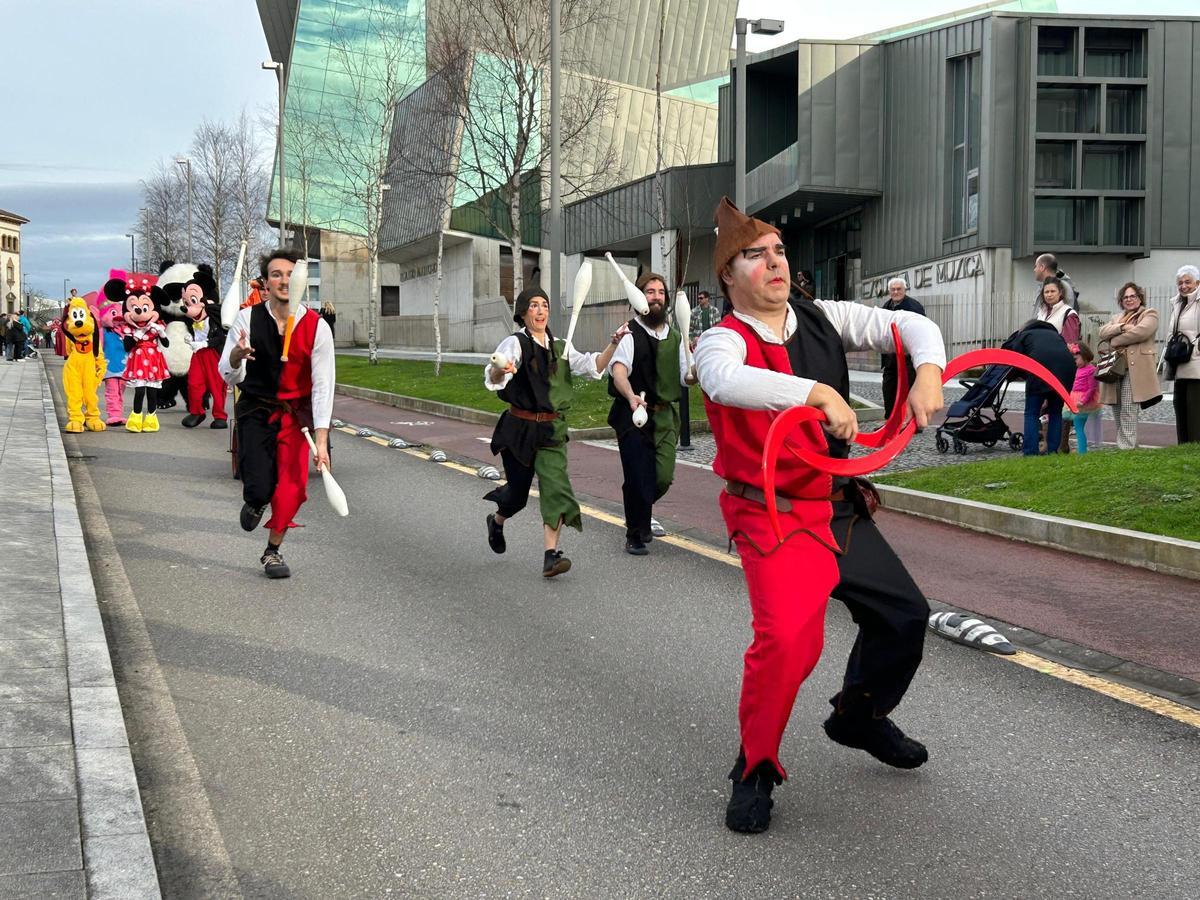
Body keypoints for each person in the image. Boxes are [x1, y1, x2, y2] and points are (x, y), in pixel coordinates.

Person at [694, 197, 946, 834]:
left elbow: (910, 327)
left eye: (779, 252)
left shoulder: (822, 317)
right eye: (756, 255)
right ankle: (753, 769)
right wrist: (812, 393)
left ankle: (857, 716)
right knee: (788, 643)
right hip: (773, 519)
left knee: (904, 617)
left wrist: (929, 370)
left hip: (839, 509)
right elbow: (724, 381)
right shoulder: (722, 338)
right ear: (729, 275)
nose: (775, 263)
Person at [483, 286, 620, 577]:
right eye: (533, 305)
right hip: (519, 429)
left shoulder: (561, 347)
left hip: (551, 431)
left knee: (555, 488)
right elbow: (493, 375)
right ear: (523, 312)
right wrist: (502, 370)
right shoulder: (515, 343)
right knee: (518, 496)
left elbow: (593, 366)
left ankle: (550, 555)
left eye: (544, 304)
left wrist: (613, 345)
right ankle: (497, 520)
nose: (540, 310)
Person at [219, 248, 335, 579]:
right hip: (256, 409)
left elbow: (324, 385)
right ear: (266, 284)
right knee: (259, 486)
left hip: (296, 417)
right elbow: (226, 373)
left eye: (290, 274)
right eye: (276, 274)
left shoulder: (317, 327)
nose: (284, 280)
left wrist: (322, 440)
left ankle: (272, 551)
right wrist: (237, 357)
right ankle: (255, 500)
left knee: (293, 488)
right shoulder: (247, 319)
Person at [607, 272, 692, 555]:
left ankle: (638, 507)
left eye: (660, 292)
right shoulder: (630, 332)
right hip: (633, 415)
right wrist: (630, 395)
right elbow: (618, 370)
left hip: (665, 417)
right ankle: (635, 533)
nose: (656, 296)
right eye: (650, 291)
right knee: (638, 475)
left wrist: (694, 371)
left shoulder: (677, 336)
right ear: (639, 297)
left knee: (662, 478)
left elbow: (684, 377)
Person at [1096, 282, 1160, 449]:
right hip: (1115, 368)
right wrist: (1123, 327)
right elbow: (1102, 332)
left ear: (1140, 298)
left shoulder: (1149, 314)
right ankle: (1125, 445)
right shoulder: (1116, 318)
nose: (1129, 299)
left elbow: (1141, 332)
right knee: (1116, 407)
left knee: (1128, 407)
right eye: (1125, 297)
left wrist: (1115, 339)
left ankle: (1127, 447)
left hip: (1135, 370)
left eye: (1133, 296)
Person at [1002, 319, 1075, 456]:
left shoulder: (1025, 335)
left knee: (1032, 413)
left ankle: (1030, 451)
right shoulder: (1057, 336)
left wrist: (1013, 377)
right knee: (1055, 412)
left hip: (1039, 371)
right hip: (1065, 373)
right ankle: (1053, 451)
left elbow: (1014, 358)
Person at [879, 277, 927, 418]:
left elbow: (922, 330)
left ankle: (914, 423)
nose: (896, 292)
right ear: (889, 291)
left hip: (908, 358)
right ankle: (890, 420)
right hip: (890, 358)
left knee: (910, 391)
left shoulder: (914, 307)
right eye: (893, 289)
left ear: (904, 290)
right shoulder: (886, 307)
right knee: (889, 389)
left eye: (899, 289)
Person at [1166, 265, 1200, 443]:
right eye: (1180, 283)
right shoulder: (1177, 303)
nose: (1183, 286)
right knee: (1180, 409)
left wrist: (1196, 348)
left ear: (1197, 283)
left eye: (1188, 282)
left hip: (1196, 367)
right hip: (1179, 364)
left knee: (1194, 413)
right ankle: (1183, 449)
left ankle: (1194, 451)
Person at [1064, 343, 1100, 454]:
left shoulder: (1091, 370)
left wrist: (1082, 401)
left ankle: (1082, 451)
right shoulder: (1080, 368)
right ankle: (1081, 449)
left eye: (1076, 359)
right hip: (1076, 398)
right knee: (1079, 426)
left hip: (1083, 401)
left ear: (1084, 356)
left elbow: (1092, 388)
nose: (1074, 362)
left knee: (1079, 427)